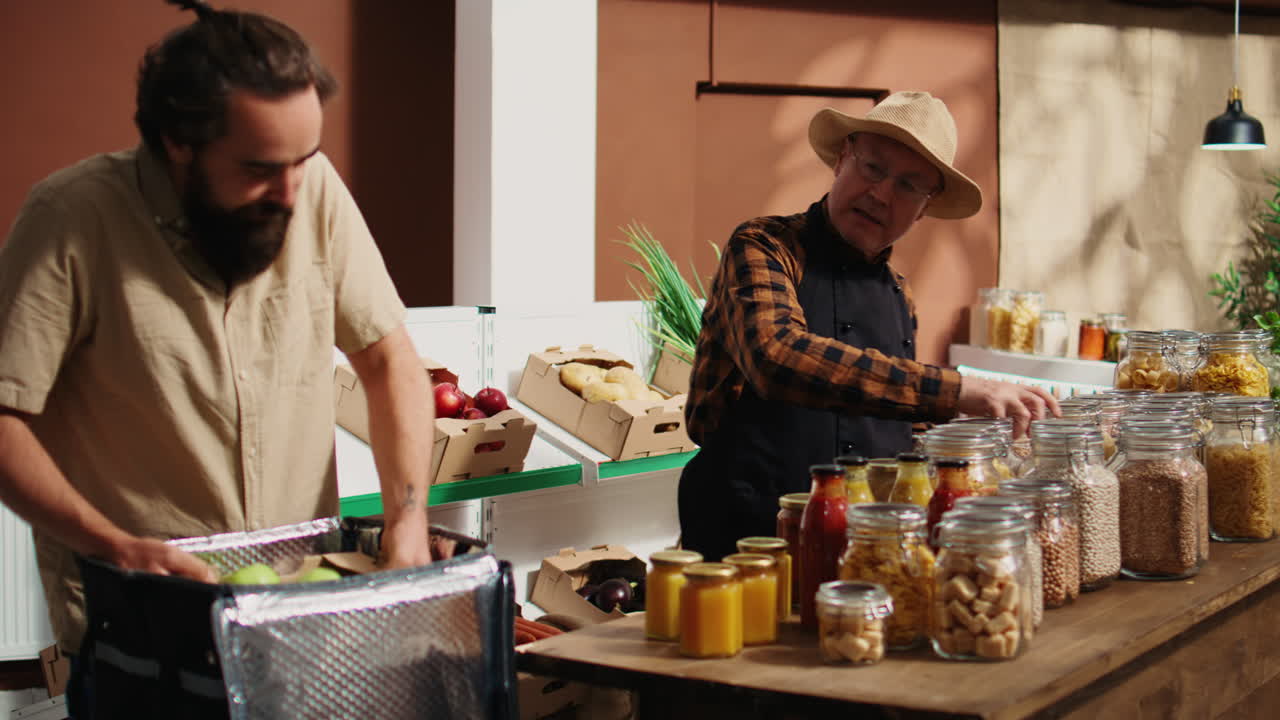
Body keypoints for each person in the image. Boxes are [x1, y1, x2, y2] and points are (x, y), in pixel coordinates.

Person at [0, 0, 435, 711]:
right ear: (179, 141)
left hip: (300, 624)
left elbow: (390, 362)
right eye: (262, 168)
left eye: (307, 159)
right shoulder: (71, 219)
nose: (291, 193)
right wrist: (119, 548)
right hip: (144, 641)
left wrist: (407, 520)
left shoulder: (311, 192)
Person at [679, 91, 1059, 562]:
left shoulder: (899, 291)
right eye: (872, 168)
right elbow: (776, 356)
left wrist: (969, 439)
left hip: (860, 543)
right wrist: (958, 389)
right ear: (842, 160)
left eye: (907, 185)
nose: (880, 194)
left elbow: (901, 414)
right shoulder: (765, 246)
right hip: (750, 535)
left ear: (924, 207)